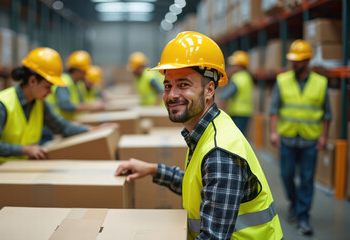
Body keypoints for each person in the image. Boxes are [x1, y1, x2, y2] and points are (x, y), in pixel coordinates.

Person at [116, 31, 283, 240]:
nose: (172, 95)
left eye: (184, 85)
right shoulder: (208, 129)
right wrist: (152, 170)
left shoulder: (219, 153)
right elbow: (200, 186)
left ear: (209, 90)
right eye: (168, 86)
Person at [0, 47, 116, 217]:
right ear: (32, 81)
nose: (50, 93)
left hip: (4, 168)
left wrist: (91, 130)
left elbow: (61, 126)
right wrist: (26, 150)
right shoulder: (1, 105)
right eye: (48, 87)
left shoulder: (39, 103)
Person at [269, 39, 331, 236]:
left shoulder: (321, 83)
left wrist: (324, 137)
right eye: (292, 60)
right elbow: (274, 109)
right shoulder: (282, 80)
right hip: (287, 137)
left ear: (307, 61)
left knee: (306, 179)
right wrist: (273, 132)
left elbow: (327, 114)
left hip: (310, 140)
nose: (294, 63)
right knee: (286, 175)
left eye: (298, 60)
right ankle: (295, 204)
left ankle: (303, 215)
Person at [46, 50, 102, 121]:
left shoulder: (76, 84)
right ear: (77, 71)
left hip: (67, 123)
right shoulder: (64, 82)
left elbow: (79, 103)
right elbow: (66, 106)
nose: (85, 75)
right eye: (84, 72)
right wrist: (92, 107)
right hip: (56, 126)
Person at [220, 50, 254, 134]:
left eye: (233, 65)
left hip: (237, 113)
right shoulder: (247, 76)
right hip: (245, 112)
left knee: (236, 136)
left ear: (239, 65)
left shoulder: (238, 77)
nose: (231, 67)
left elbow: (225, 95)